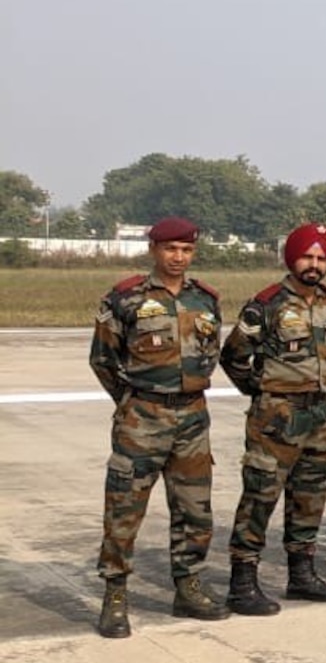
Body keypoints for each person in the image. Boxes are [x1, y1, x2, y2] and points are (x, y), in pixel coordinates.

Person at [89, 216, 227, 636]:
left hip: (192, 418)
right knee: (125, 508)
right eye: (170, 249)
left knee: (193, 508)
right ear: (154, 249)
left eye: (186, 249)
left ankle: (187, 587)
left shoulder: (205, 299)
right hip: (142, 419)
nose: (178, 257)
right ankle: (115, 596)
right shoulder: (125, 298)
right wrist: (133, 402)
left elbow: (211, 353)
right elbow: (103, 359)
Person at [219, 221, 326, 614]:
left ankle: (302, 574)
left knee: (310, 495)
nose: (314, 264)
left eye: (321, 258)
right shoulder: (268, 303)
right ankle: (242, 583)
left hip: (317, 413)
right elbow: (234, 356)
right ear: (292, 258)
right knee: (261, 495)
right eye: (307, 256)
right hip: (276, 417)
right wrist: (262, 390)